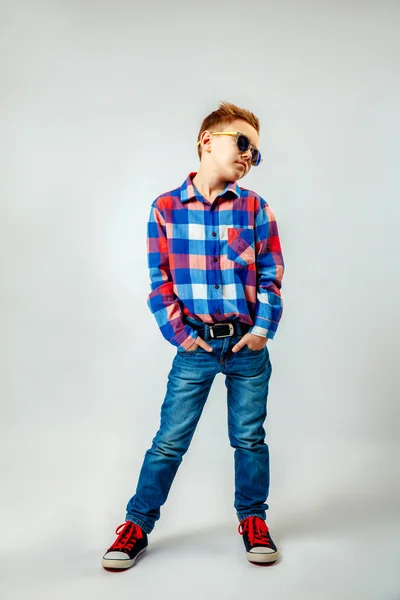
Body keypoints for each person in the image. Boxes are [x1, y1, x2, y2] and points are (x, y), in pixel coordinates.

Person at [102, 101, 285, 570]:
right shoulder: (165, 209)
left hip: (246, 345)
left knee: (249, 438)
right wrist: (182, 337)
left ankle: (252, 518)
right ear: (208, 140)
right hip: (197, 348)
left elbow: (271, 274)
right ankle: (137, 524)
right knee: (169, 440)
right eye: (242, 143)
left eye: (256, 153)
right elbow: (160, 281)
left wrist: (262, 330)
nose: (249, 156)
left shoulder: (255, 208)